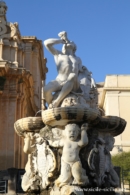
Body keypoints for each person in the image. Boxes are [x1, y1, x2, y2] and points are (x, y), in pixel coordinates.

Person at [44, 31, 85, 108]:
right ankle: (51, 105)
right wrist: (61, 41)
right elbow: (46, 43)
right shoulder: (58, 54)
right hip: (59, 81)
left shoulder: (77, 59)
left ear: (74, 47)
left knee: (72, 75)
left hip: (74, 83)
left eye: (71, 42)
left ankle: (57, 101)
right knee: (46, 90)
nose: (69, 42)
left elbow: (81, 72)